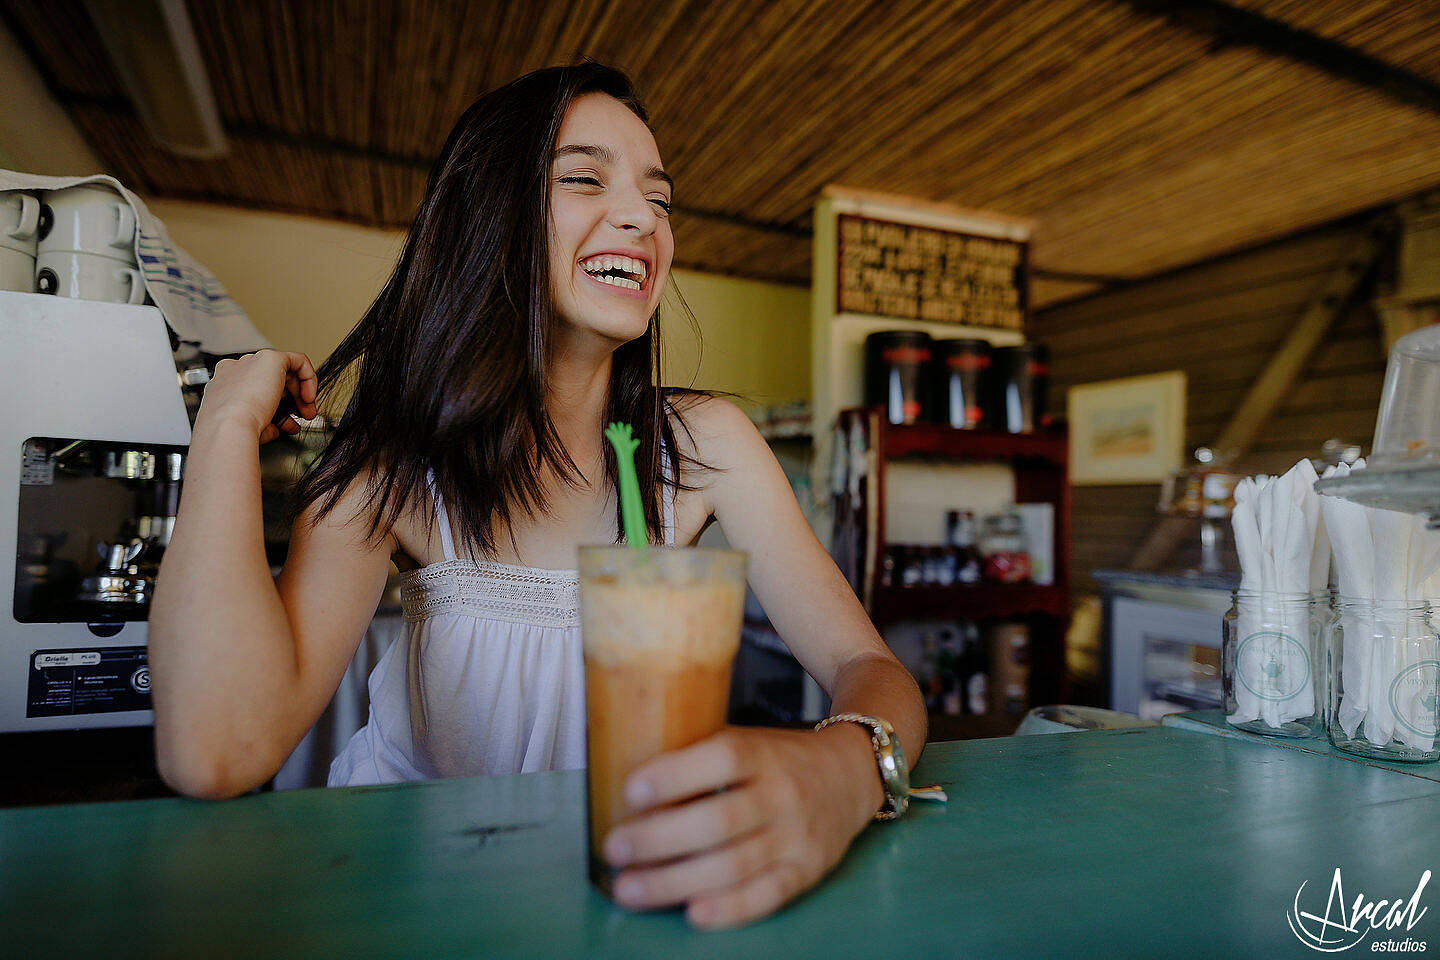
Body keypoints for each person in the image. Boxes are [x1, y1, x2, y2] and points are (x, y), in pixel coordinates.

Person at [148, 61, 926, 930]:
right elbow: (214, 750)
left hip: (622, 896)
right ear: (492, 216)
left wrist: (844, 773)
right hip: (401, 902)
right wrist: (219, 434)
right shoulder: (396, 465)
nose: (642, 218)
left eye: (659, 199)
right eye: (585, 178)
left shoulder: (702, 448)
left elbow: (874, 671)